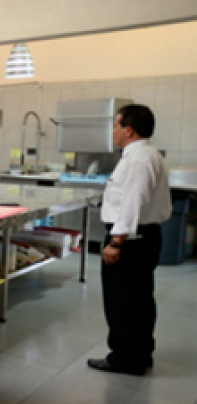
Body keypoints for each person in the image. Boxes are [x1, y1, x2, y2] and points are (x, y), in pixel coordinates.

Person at [88, 104, 171, 376]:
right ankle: (140, 353)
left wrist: (116, 242)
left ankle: (125, 358)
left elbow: (133, 203)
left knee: (122, 302)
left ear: (129, 130)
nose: (113, 130)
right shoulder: (147, 154)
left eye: (116, 125)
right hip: (142, 238)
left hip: (131, 241)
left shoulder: (138, 159)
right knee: (140, 300)